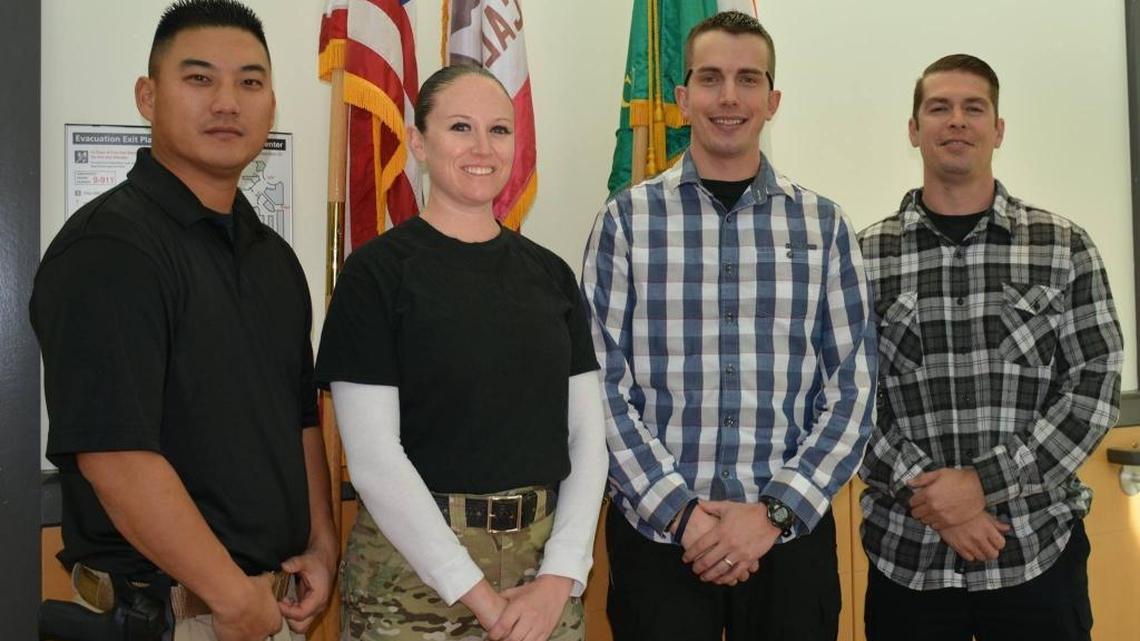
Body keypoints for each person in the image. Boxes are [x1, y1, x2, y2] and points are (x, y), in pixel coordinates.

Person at [30, 1, 337, 639]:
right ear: (148, 97)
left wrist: (322, 543)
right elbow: (115, 454)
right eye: (199, 78)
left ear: (272, 105)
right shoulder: (110, 248)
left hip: (270, 605)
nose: (227, 102)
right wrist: (230, 595)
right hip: (176, 616)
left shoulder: (274, 260)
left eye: (249, 82)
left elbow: (300, 418)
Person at [580, 11, 876, 641]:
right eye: (710, 78)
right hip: (659, 540)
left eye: (748, 79)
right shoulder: (625, 222)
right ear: (683, 97)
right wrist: (683, 515)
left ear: (773, 100)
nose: (729, 97)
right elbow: (599, 385)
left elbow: (852, 392)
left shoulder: (824, 226)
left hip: (788, 541)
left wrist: (771, 514)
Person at [314, 64, 608, 641]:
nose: (482, 148)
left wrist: (560, 578)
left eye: (499, 130)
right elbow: (374, 460)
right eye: (459, 128)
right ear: (419, 142)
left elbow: (587, 440)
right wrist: (480, 598)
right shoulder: (375, 275)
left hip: (541, 576)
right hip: (412, 581)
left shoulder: (550, 274)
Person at [857, 53, 1124, 641]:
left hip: (1037, 553)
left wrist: (982, 486)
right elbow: (844, 400)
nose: (957, 120)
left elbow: (1094, 387)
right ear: (913, 130)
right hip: (908, 559)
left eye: (973, 108)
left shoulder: (1063, 247)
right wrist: (936, 500)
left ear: (998, 129)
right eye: (939, 108)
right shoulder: (863, 258)